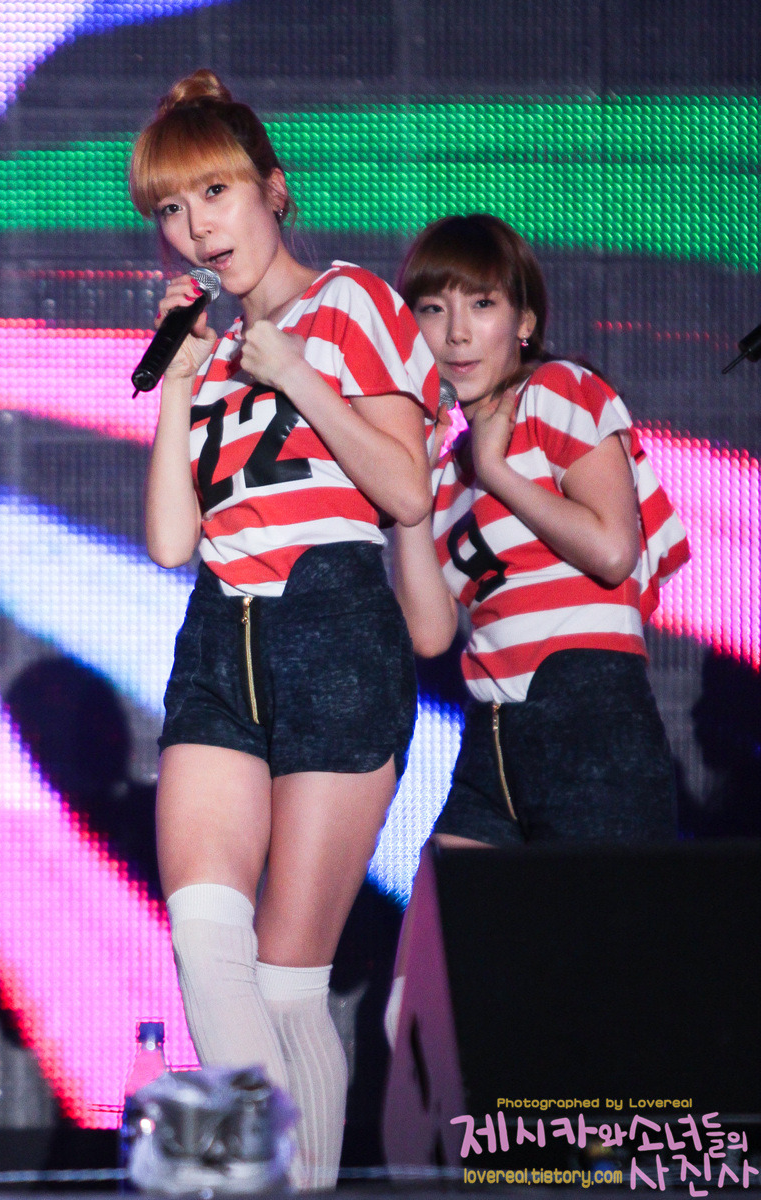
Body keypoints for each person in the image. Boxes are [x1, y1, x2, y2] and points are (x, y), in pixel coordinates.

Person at [128, 69, 437, 1189]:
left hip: (333, 630)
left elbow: (405, 490)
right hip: (220, 637)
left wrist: (297, 368)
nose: (195, 228)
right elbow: (172, 541)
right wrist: (179, 382)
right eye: (171, 209)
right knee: (203, 937)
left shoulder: (352, 302)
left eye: (214, 193)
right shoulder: (208, 355)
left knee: (288, 980)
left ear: (273, 188)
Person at [383, 212, 690, 1050]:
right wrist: (410, 492)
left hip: (588, 713)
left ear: (523, 320)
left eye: (480, 304)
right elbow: (430, 633)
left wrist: (498, 471)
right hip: (492, 739)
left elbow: (613, 548)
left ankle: (607, 1140)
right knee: (422, 995)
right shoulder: (443, 469)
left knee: (606, 1000)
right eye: (433, 309)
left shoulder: (559, 392)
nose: (456, 333)